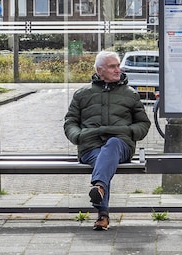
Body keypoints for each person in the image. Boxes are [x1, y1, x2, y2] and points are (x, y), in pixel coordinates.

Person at [63, 50, 151, 231]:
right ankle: (101, 196)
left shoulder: (130, 94)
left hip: (121, 146)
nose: (118, 70)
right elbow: (70, 122)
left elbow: (143, 123)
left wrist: (129, 132)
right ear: (99, 70)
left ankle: (102, 208)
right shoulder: (82, 94)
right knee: (103, 162)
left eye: (118, 66)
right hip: (90, 147)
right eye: (112, 67)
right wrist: (78, 136)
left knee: (112, 144)